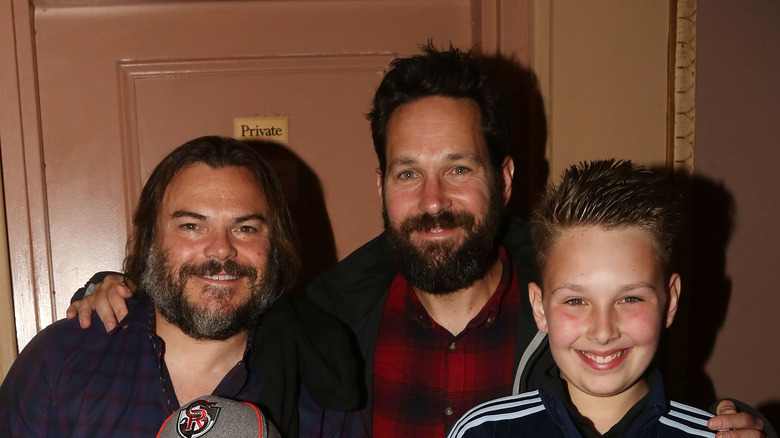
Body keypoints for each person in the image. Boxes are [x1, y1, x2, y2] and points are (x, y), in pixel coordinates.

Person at [67, 46, 766, 437]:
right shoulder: (320, 321)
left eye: (458, 169)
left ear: (504, 175)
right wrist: (115, 290)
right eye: (409, 174)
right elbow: (208, 308)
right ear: (381, 185)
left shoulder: (578, 306)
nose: (433, 203)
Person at [0, 136, 362, 437]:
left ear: (275, 248)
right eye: (191, 225)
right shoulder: (61, 362)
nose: (221, 248)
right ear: (150, 242)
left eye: (246, 228)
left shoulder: (320, 388)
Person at [447, 159, 715, 437]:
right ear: (540, 308)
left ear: (669, 302)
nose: (602, 332)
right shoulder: (482, 432)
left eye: (630, 299)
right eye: (576, 301)